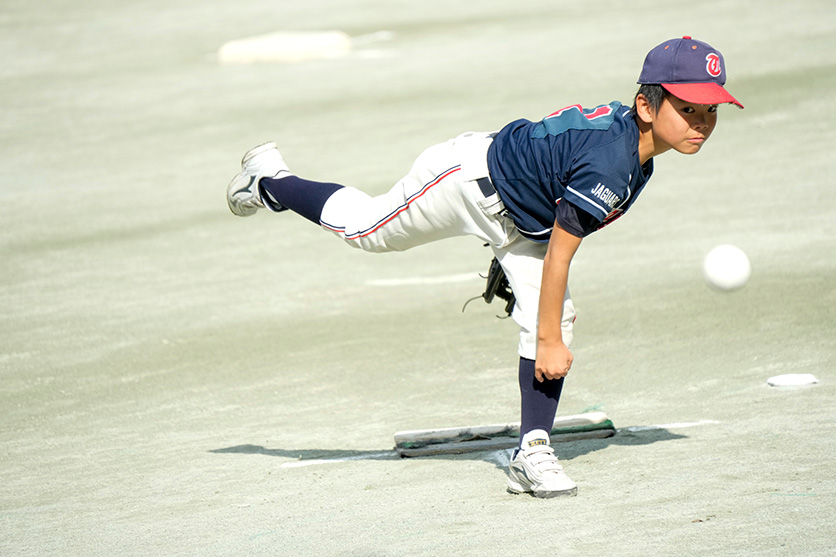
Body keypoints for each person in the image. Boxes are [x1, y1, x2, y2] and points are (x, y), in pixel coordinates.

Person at [225, 36, 743, 498]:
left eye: (712, 109)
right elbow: (563, 249)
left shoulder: (639, 151)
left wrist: (533, 293)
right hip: (467, 184)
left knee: (556, 316)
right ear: (646, 106)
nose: (702, 121)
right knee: (367, 231)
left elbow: (560, 216)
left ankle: (532, 452)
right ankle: (269, 180)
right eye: (690, 106)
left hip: (522, 221)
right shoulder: (614, 159)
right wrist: (545, 342)